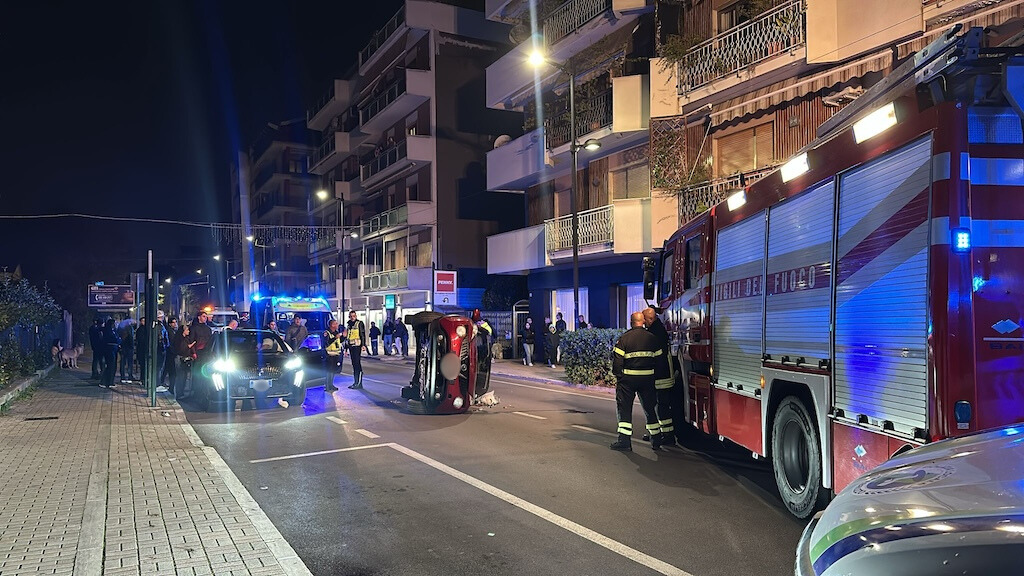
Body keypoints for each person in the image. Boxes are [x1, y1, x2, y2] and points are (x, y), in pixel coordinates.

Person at [609, 312, 664, 452]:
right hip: (647, 380)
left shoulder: (624, 338)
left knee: (625, 409)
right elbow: (660, 361)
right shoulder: (652, 338)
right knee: (650, 409)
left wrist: (619, 377)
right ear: (643, 321)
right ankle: (656, 440)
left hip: (627, 381)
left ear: (631, 322)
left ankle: (624, 441)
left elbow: (617, 362)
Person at [644, 307, 678, 447]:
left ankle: (667, 436)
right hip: (662, 374)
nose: (644, 322)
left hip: (661, 376)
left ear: (650, 319)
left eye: (645, 319)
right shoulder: (657, 330)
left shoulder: (654, 333)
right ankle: (660, 433)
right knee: (659, 405)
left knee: (662, 407)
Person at [171, 322, 196, 401]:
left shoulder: (186, 338)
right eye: (187, 330)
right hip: (180, 359)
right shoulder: (179, 339)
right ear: (183, 331)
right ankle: (179, 393)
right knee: (181, 377)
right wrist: (189, 346)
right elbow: (180, 348)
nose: (188, 331)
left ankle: (182, 393)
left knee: (185, 377)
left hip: (185, 359)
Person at [346, 311, 366, 389]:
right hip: (351, 346)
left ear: (356, 316)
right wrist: (346, 348)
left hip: (357, 346)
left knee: (357, 364)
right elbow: (348, 336)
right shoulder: (349, 325)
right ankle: (355, 382)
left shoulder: (359, 323)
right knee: (354, 364)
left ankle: (359, 383)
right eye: (351, 316)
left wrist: (363, 345)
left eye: (354, 316)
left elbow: (362, 334)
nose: (352, 317)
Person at [322, 319, 344, 392]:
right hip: (329, 355)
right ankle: (327, 385)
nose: (337, 325)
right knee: (329, 371)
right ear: (332, 325)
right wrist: (335, 338)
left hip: (336, 354)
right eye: (335, 324)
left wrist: (343, 336)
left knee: (333, 371)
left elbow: (339, 342)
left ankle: (331, 384)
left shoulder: (336, 332)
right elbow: (327, 343)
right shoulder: (327, 333)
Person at [100, 318, 121, 389]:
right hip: (110, 350)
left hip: (113, 350)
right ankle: (106, 381)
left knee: (112, 366)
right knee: (110, 366)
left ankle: (109, 381)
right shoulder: (108, 331)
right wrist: (118, 341)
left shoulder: (112, 331)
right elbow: (114, 339)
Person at [162, 318, 179, 394]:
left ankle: (162, 382)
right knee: (172, 372)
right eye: (173, 322)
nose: (175, 324)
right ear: (170, 324)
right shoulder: (170, 332)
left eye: (175, 322)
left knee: (166, 369)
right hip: (170, 354)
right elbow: (171, 343)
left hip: (169, 354)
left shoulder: (172, 331)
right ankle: (171, 387)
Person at [135, 317, 149, 382]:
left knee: (143, 365)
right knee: (143, 365)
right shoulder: (142, 330)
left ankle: (143, 378)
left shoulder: (141, 329)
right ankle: (143, 378)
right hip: (142, 350)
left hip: (141, 349)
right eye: (143, 321)